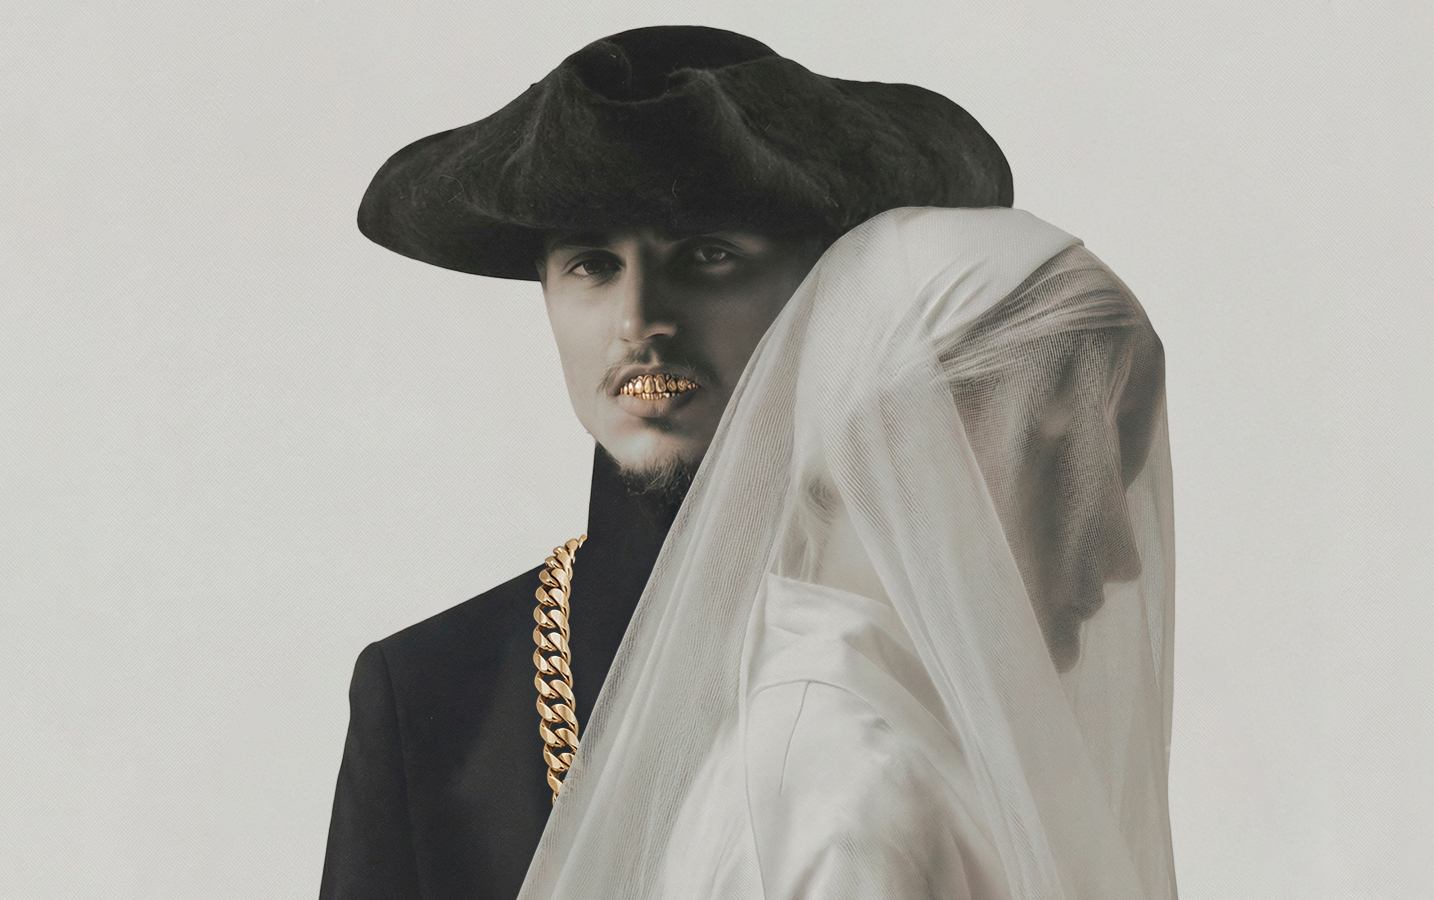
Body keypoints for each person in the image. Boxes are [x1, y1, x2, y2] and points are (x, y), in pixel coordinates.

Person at [322, 25, 1176, 900]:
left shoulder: (946, 633)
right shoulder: (434, 692)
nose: (641, 320)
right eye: (592, 265)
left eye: (709, 255)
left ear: (827, 289)